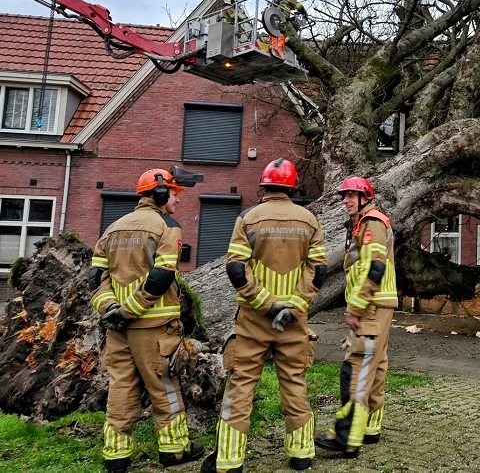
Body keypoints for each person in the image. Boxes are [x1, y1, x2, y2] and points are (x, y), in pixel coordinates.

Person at [201, 158, 327, 473]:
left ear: (264, 185)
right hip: (294, 321)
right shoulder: (309, 220)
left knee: (241, 385)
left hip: (253, 320)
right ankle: (301, 455)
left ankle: (229, 461)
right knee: (294, 382)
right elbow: (319, 269)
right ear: (293, 187)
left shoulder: (248, 218)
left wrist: (266, 304)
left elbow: (236, 268)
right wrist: (294, 305)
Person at [90, 166, 204, 473]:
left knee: (121, 389)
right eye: (175, 195)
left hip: (118, 329)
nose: (178, 202)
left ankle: (116, 455)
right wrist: (131, 309)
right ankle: (175, 450)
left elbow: (94, 278)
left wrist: (110, 309)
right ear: (161, 194)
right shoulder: (167, 226)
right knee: (165, 386)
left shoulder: (112, 228)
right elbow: (162, 276)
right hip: (154, 328)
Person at [314, 177, 397, 458]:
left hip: (371, 307)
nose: (346, 201)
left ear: (365, 198)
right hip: (379, 305)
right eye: (344, 196)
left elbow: (375, 268)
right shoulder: (366, 223)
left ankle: (347, 435)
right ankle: (370, 427)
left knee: (358, 367)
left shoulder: (372, 222)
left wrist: (356, 308)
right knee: (376, 364)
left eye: (351, 196)